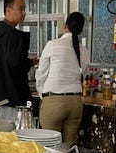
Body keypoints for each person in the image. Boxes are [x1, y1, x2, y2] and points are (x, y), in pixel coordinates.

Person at [36, 12, 88, 145]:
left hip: (54, 101)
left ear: (65, 26)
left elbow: (41, 73)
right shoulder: (84, 51)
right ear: (81, 31)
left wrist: (44, 94)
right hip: (75, 103)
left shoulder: (53, 45)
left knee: (50, 147)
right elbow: (84, 74)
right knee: (68, 147)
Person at [0, 0, 39, 107]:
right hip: (14, 95)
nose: (24, 13)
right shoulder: (13, 35)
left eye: (24, 9)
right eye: (20, 9)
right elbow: (15, 65)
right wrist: (31, 62)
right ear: (8, 10)